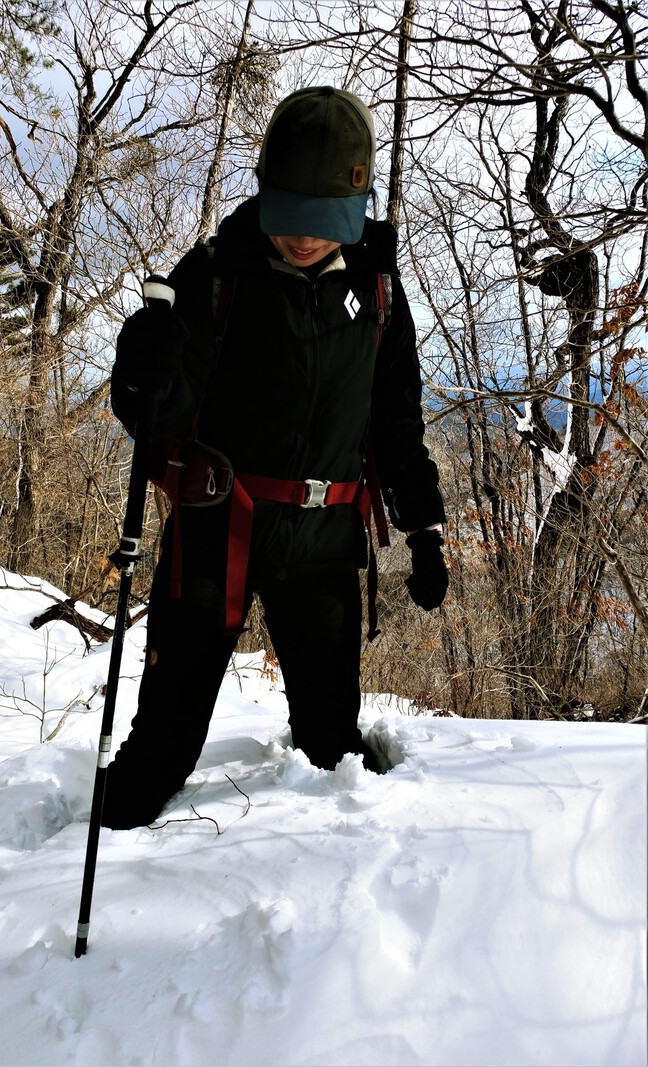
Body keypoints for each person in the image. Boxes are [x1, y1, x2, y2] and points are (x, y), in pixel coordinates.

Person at [102, 86, 448, 830]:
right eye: (289, 215)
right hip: (214, 534)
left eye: (320, 222)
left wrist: (425, 532)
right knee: (156, 755)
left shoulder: (380, 291)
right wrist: (138, 373)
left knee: (330, 748)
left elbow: (396, 426)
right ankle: (77, 854)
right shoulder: (215, 275)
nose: (301, 238)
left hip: (324, 547)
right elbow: (154, 412)